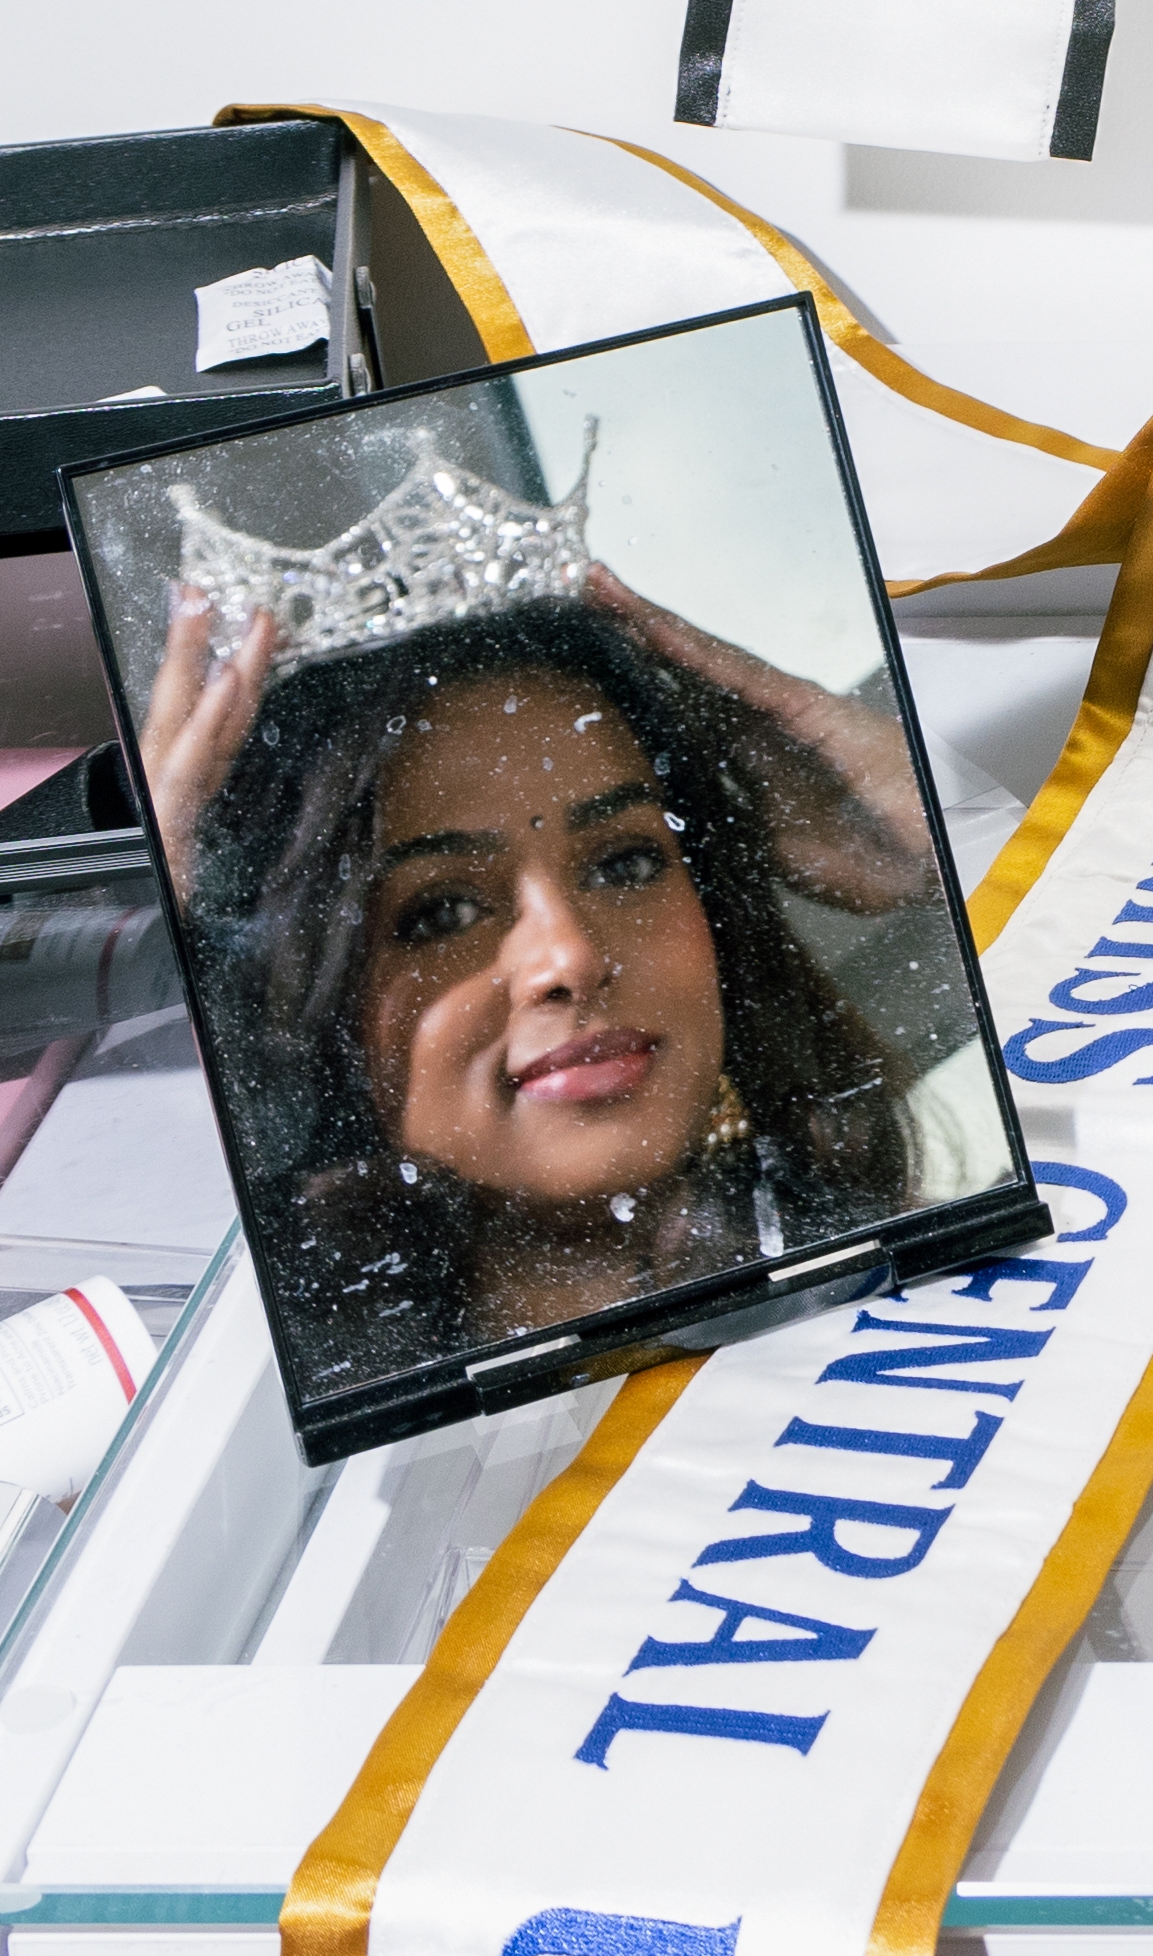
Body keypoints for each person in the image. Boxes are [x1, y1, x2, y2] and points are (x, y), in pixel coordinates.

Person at [143, 549, 943, 1394]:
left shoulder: (934, 1291)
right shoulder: (249, 1422)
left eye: (626, 863)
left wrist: (935, 823)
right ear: (306, 998)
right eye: (443, 911)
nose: (568, 957)